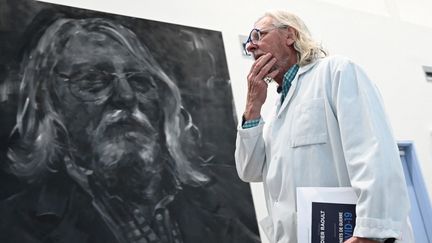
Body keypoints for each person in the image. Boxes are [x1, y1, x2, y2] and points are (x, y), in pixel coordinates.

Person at [0, 17, 260, 243]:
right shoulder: (16, 225)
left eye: (140, 81)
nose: (125, 96)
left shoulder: (221, 207)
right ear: (48, 102)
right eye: (93, 81)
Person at [235, 10, 413, 243]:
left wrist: (369, 232)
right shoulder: (271, 116)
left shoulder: (336, 72)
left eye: (258, 35)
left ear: (290, 34)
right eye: (249, 41)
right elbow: (249, 170)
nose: (250, 46)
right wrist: (253, 107)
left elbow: (373, 152)